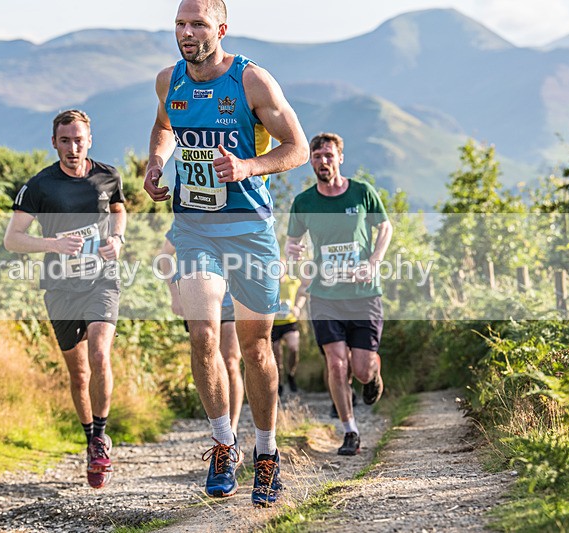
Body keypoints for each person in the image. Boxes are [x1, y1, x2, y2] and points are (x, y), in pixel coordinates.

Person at [144, 0, 308, 507]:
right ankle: (222, 443)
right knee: (204, 333)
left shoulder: (251, 81)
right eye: (180, 24)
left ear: (221, 28)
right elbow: (164, 127)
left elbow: (297, 148)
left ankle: (266, 452)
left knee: (257, 348)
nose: (187, 33)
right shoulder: (168, 80)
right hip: (194, 228)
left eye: (197, 24)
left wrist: (247, 167)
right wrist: (155, 162)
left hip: (249, 230)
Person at [4, 109, 126, 489]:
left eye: (79, 140)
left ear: (90, 140)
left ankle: (102, 438)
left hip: (102, 280)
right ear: (54, 142)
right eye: (65, 141)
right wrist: (53, 244)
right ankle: (90, 438)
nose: (73, 148)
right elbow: (13, 239)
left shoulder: (108, 176)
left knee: (100, 353)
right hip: (59, 287)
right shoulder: (40, 186)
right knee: (79, 373)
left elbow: (120, 211)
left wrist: (117, 240)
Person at [286, 132, 393, 457]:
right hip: (325, 295)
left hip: (363, 295)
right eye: (317, 156)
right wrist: (293, 249)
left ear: (340, 158)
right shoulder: (303, 202)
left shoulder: (362, 193)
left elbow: (385, 227)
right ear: (311, 161)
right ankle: (350, 431)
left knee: (359, 369)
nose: (323, 161)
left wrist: (374, 262)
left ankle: (372, 374)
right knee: (336, 364)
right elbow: (293, 244)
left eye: (329, 155)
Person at [157, 232, 244, 433]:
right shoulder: (190, 215)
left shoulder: (238, 210)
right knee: (208, 356)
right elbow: (165, 256)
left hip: (233, 299)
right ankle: (220, 426)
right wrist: (175, 295)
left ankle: (232, 429)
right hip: (201, 298)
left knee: (231, 361)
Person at [271, 262, 307, 396]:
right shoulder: (268, 283)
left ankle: (291, 374)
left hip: (289, 322)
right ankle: (279, 382)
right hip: (273, 324)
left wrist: (297, 306)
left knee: (293, 347)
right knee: (276, 354)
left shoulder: (293, 282)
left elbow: (303, 293)